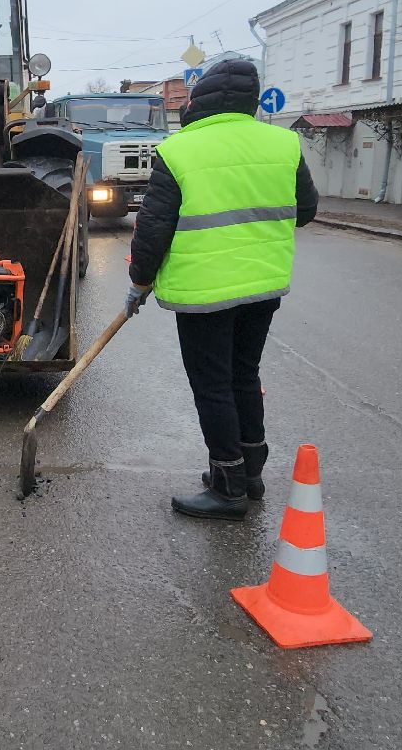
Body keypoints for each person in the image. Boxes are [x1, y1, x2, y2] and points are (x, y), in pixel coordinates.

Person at [125, 58, 317, 520]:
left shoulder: (181, 149)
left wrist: (139, 282)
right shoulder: (283, 143)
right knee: (243, 376)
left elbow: (153, 229)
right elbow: (306, 210)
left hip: (205, 292)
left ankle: (228, 487)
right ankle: (249, 476)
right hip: (263, 285)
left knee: (212, 385)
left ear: (200, 100)